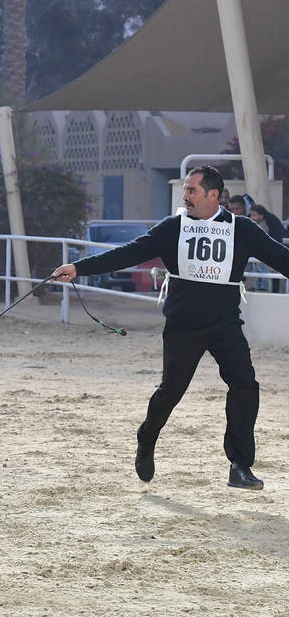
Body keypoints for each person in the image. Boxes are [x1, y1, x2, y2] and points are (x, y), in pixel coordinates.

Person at [51, 165, 289, 490]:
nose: (185, 196)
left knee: (245, 384)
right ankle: (147, 437)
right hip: (183, 325)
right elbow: (128, 253)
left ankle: (240, 465)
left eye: (192, 190)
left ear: (213, 195)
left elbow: (281, 258)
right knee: (171, 392)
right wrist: (78, 268)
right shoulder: (172, 227)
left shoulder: (242, 229)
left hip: (225, 324)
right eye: (185, 190)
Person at [248, 204, 286, 293]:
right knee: (264, 270)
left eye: (254, 215)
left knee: (269, 270)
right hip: (271, 249)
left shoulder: (265, 223)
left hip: (272, 251)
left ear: (261, 215)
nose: (251, 217)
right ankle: (264, 287)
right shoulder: (267, 220)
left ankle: (265, 287)